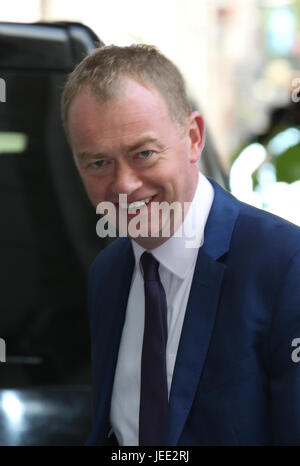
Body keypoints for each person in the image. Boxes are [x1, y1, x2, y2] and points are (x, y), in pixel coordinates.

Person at [61, 44, 300, 446]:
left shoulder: (284, 265)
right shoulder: (108, 271)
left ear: (193, 138)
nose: (124, 185)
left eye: (143, 153)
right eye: (98, 162)